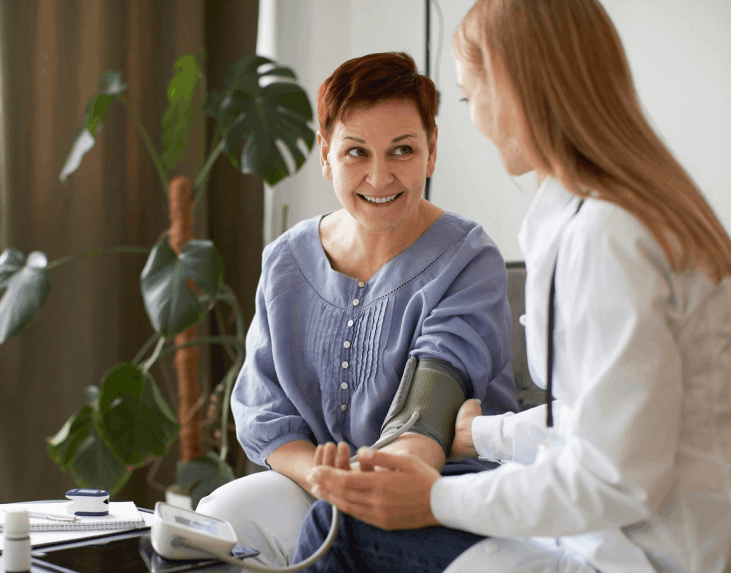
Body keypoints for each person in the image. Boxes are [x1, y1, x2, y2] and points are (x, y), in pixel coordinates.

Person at [294, 1, 731, 572]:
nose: (475, 120)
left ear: (511, 88)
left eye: (472, 97)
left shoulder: (606, 237)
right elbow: (597, 421)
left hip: (630, 559)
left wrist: (431, 499)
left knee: (340, 526)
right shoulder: (623, 213)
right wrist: (483, 435)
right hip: (635, 541)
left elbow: (616, 479)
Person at [194, 51, 520, 571]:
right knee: (224, 517)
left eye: (402, 151)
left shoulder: (468, 259)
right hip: (318, 483)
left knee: (346, 528)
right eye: (356, 153)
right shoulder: (286, 261)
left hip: (438, 484)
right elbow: (265, 414)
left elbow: (435, 393)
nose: (380, 176)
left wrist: (378, 483)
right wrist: (325, 479)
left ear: (431, 151)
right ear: (325, 154)